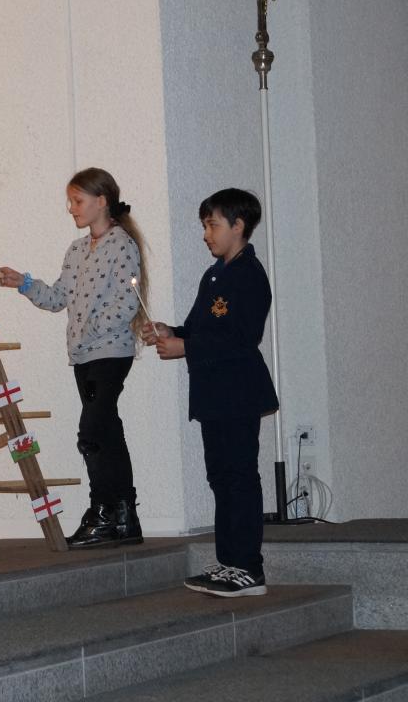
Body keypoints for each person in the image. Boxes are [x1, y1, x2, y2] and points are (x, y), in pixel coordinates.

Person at [0, 167, 148, 548]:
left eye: (78, 201)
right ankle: (123, 518)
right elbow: (58, 298)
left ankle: (103, 511)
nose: (71, 208)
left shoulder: (122, 245)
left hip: (110, 354)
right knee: (107, 431)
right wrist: (25, 284)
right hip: (83, 358)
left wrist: (90, 327)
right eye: (70, 201)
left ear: (102, 201)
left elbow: (128, 302)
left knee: (92, 433)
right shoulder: (77, 250)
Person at [143, 188, 278, 597]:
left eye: (212, 225)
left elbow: (242, 338)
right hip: (214, 396)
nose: (206, 234)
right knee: (221, 477)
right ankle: (229, 563)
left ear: (238, 226)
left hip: (238, 393)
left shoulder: (249, 275)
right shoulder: (214, 274)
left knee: (239, 477)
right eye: (205, 225)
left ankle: (248, 568)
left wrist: (186, 347)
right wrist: (170, 331)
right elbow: (200, 329)